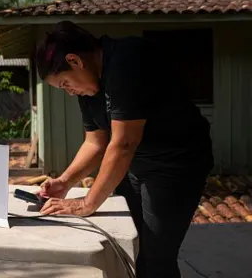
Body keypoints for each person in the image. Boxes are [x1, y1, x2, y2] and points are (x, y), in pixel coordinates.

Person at [32, 21, 214, 278]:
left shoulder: (127, 60)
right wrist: (65, 181)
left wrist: (87, 202)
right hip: (135, 164)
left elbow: (124, 143)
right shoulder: (88, 89)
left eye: (64, 84)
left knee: (155, 258)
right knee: (128, 245)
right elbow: (95, 143)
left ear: (74, 61)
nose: (69, 92)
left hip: (175, 164)